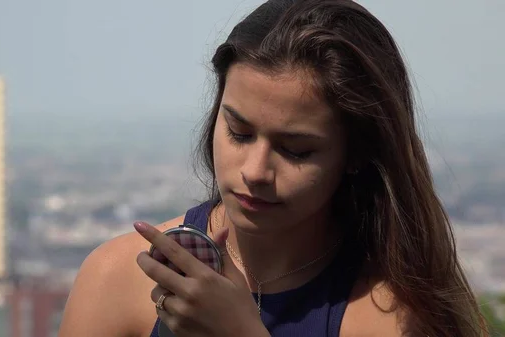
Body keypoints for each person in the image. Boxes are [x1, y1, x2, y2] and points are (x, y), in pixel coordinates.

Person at [58, 0, 487, 336]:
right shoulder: (117, 278)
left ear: (357, 154)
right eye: (239, 133)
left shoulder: (393, 317)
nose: (256, 170)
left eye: (296, 150)